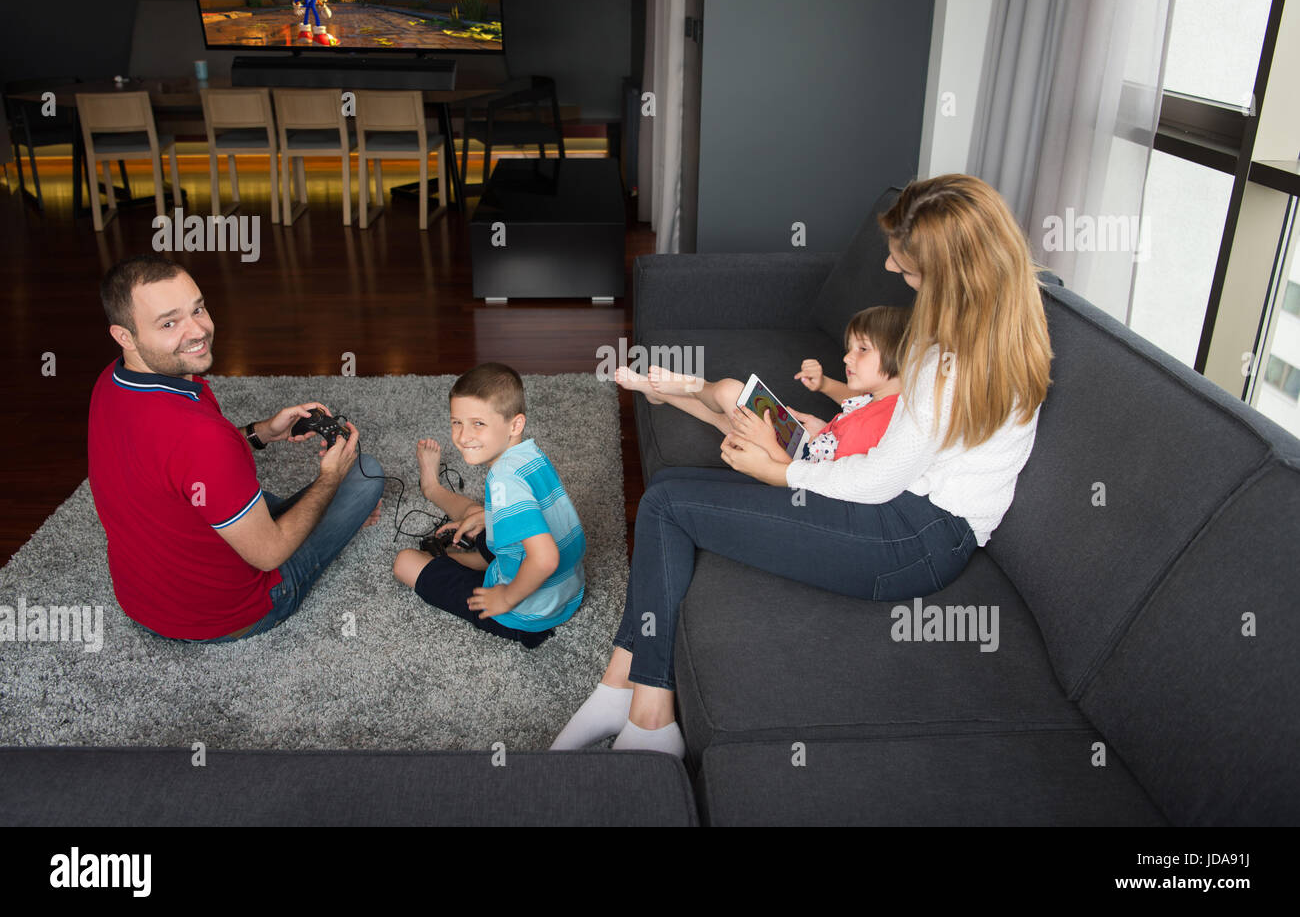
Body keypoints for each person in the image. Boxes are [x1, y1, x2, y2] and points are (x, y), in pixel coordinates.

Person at [551, 174, 1053, 757]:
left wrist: (779, 471)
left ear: (950, 272)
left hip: (909, 537)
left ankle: (648, 711)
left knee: (666, 505)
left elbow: (877, 479)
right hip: (917, 522)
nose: (892, 272)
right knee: (665, 491)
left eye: (907, 267)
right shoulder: (1009, 323)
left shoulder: (947, 362)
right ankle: (623, 689)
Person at [88, 254, 384, 643]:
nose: (197, 331)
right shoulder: (201, 438)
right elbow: (269, 554)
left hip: (142, 599)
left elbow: (176, 468)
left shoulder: (110, 382)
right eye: (169, 323)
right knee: (365, 473)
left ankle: (311, 510)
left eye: (198, 309)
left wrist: (262, 432)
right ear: (124, 335)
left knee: (244, 494)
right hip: (229, 614)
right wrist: (331, 479)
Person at [392, 362, 586, 649]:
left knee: (404, 562)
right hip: (567, 592)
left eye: (478, 424)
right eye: (456, 422)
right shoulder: (530, 455)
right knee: (477, 516)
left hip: (525, 612)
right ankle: (433, 492)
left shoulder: (503, 480)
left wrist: (504, 598)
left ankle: (450, 545)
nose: (463, 436)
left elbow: (545, 559)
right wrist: (489, 516)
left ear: (515, 424)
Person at [613, 305, 911, 465]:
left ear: (899, 357)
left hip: (794, 460)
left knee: (731, 392)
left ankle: (692, 385)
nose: (847, 356)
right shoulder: (886, 399)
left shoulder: (878, 426)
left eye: (862, 349)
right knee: (727, 418)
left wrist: (769, 443)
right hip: (807, 440)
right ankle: (656, 392)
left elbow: (821, 480)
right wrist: (823, 397)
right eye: (850, 347)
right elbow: (853, 405)